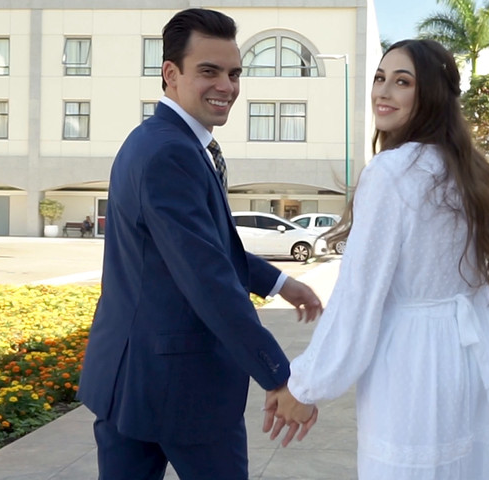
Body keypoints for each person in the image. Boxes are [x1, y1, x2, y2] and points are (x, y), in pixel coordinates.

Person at [264, 39, 489, 479]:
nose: (383, 92)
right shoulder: (465, 170)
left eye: (402, 82)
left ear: (431, 96)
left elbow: (359, 294)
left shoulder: (393, 172)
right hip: (468, 357)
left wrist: (305, 385)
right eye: (380, 78)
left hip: (413, 365)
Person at [76, 8, 322, 480]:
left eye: (234, 73)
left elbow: (196, 247)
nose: (226, 86)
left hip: (130, 378)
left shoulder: (157, 141)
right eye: (209, 71)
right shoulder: (172, 151)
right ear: (171, 74)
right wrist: (279, 376)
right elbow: (207, 278)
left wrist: (280, 281)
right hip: (182, 387)